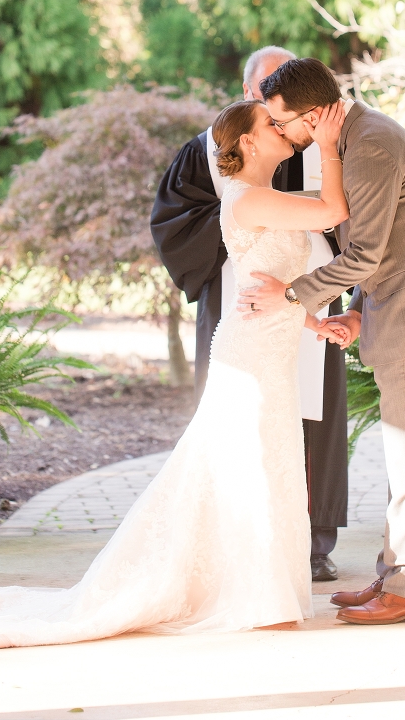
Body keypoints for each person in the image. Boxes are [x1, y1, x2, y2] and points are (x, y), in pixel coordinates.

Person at [0, 100, 350, 647]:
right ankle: (254, 596)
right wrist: (329, 141)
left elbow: (268, 288)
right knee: (250, 469)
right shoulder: (249, 199)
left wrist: (317, 324)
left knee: (262, 467)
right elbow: (332, 213)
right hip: (249, 360)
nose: (282, 129)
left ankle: (261, 591)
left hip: (269, 350)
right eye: (270, 125)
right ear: (248, 143)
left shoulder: (269, 198)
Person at [236, 58, 405, 627]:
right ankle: (395, 575)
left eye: (284, 122)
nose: (285, 136)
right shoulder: (357, 139)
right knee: (404, 453)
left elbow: (366, 253)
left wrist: (293, 296)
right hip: (395, 307)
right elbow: (389, 245)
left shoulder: (369, 146)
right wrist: (357, 313)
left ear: (315, 114)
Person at [150, 46, 349, 582]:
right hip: (244, 310)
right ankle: (238, 553)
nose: (281, 120)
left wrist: (313, 314)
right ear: (247, 99)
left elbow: (346, 219)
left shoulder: (303, 148)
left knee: (300, 429)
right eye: (267, 101)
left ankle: (311, 542)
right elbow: (176, 222)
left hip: (296, 309)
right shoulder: (207, 157)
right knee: (251, 434)